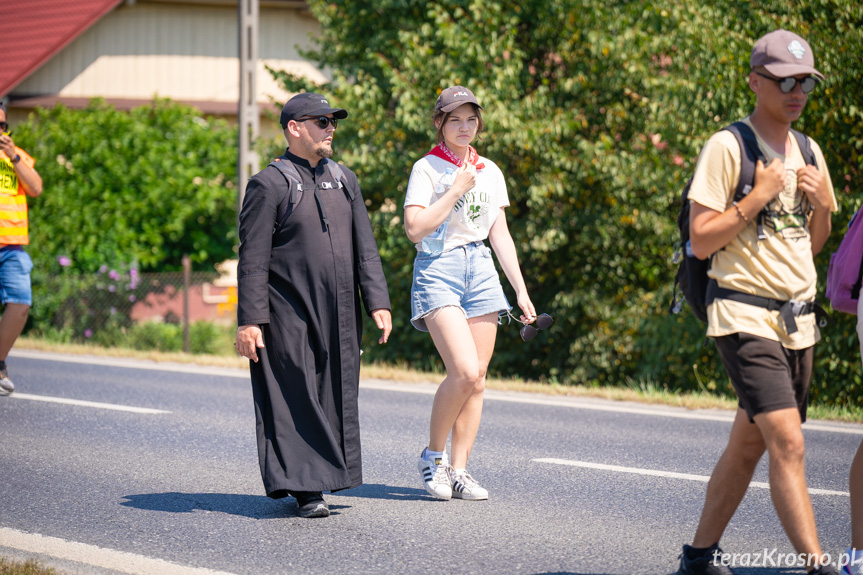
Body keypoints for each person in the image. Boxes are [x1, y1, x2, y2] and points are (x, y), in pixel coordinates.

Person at [676, 30, 838, 575]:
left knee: (749, 446)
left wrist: (821, 207)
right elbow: (700, 239)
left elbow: (812, 245)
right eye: (785, 81)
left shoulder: (810, 151)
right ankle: (819, 567)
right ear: (755, 82)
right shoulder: (729, 147)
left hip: (800, 321)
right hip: (743, 314)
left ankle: (698, 557)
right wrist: (758, 197)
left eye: (806, 84)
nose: (797, 92)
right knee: (788, 442)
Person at [235, 92, 392, 518]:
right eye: (321, 121)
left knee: (333, 393)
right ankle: (307, 492)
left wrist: (377, 300)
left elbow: (366, 248)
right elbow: (251, 258)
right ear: (294, 127)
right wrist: (250, 321)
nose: (330, 129)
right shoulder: (269, 183)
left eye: (333, 122)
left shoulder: (344, 178)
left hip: (340, 311)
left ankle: (323, 479)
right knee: (296, 395)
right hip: (287, 311)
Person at [404, 85, 538, 501]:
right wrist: (456, 188)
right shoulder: (427, 168)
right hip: (438, 266)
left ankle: (460, 471)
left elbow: (500, 235)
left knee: (477, 380)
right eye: (455, 119)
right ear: (440, 124)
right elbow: (415, 229)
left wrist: (520, 289)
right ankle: (433, 457)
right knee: (462, 370)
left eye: (471, 118)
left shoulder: (491, 170)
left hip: (480, 268)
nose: (465, 127)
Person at [0, 102, 43, 396]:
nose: (0, 131)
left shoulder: (15, 156)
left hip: (12, 247)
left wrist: (13, 156)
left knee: (20, 305)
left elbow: (36, 187)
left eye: (2, 126)